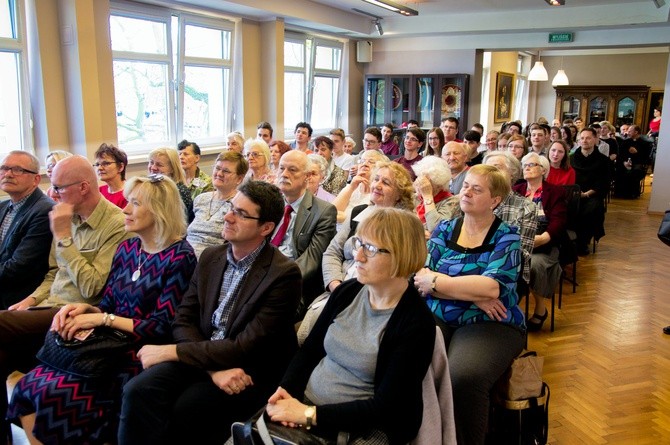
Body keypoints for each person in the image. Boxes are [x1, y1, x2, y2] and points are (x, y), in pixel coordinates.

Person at [8, 175, 197, 444]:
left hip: (138, 350)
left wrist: (102, 319)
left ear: (159, 211)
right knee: (28, 386)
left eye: (135, 204)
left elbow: (160, 326)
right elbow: (108, 303)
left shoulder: (179, 256)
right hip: (107, 343)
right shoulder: (128, 248)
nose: (125, 210)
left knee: (59, 396)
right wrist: (84, 308)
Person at [118, 181, 302, 445]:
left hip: (247, 370)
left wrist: (173, 351)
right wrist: (212, 371)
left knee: (189, 407)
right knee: (138, 390)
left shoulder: (283, 274)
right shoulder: (210, 258)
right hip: (208, 356)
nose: (227, 216)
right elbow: (183, 319)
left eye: (241, 213)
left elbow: (246, 346)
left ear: (266, 228)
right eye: (231, 207)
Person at [268, 207, 435, 445]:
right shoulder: (348, 291)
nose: (358, 256)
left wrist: (308, 415)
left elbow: (386, 407)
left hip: (363, 427)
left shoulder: (416, 322)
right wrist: (287, 391)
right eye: (360, 244)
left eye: (372, 249)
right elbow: (310, 350)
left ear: (402, 255)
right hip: (305, 407)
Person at [0, 155, 128, 443]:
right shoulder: (65, 216)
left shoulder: (116, 225)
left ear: (83, 187)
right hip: (47, 308)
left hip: (77, 313)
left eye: (58, 188)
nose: (53, 195)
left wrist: (64, 237)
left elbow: (93, 287)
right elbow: (53, 274)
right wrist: (31, 301)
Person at [414, 164, 525, 445]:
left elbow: (492, 287)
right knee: (410, 361)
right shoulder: (445, 228)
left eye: (477, 189)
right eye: (465, 186)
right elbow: (421, 275)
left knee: (463, 377)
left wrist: (439, 284)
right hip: (439, 313)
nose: (467, 192)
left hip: (490, 322)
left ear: (495, 200)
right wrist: (474, 293)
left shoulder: (507, 236)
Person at [299, 162, 416, 344]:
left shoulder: (406, 224)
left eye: (386, 182)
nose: (377, 185)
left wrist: (354, 295)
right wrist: (335, 285)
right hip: (339, 288)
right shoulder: (358, 212)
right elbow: (332, 252)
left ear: (400, 193)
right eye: (376, 179)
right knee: (306, 337)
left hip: (374, 298)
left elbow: (402, 271)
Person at [273, 150, 337, 316]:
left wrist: (275, 279)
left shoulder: (323, 211)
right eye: (281, 168)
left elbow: (312, 259)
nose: (284, 174)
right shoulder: (271, 202)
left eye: (292, 170)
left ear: (307, 177)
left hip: (292, 280)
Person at [514, 153, 567, 332]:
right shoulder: (517, 189)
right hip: (518, 242)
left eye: (532, 164)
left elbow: (558, 221)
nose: (526, 167)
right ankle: (510, 308)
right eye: (524, 165)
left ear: (543, 170)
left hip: (544, 245)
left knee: (532, 264)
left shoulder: (555, 192)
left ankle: (540, 308)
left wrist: (544, 238)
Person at [0, 151, 54, 309]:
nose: (8, 174)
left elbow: (19, 268)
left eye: (18, 170)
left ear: (36, 179)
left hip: (19, 298)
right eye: (4, 168)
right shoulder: (3, 207)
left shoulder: (44, 210)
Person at [187, 151, 248, 258]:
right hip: (185, 257)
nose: (219, 174)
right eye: (217, 168)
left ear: (239, 179)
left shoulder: (239, 205)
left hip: (214, 260)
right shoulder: (200, 199)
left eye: (226, 171)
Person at [571, 128, 611, 254]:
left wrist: (587, 194)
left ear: (595, 139)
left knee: (592, 209)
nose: (585, 141)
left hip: (592, 195)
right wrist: (575, 193)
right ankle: (569, 241)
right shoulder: (571, 159)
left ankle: (583, 241)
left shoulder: (603, 161)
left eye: (588, 138)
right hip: (573, 194)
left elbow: (604, 182)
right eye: (582, 138)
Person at [332, 150, 388, 224]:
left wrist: (344, 217)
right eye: (362, 161)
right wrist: (351, 187)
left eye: (371, 162)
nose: (364, 164)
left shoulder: (378, 194)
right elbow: (331, 213)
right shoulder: (350, 187)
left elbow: (367, 222)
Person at [412, 156, 458, 233]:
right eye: (419, 177)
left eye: (425, 181)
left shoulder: (451, 202)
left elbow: (435, 228)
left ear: (438, 184)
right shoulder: (414, 197)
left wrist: (427, 196)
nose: (419, 182)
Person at [148, 147, 194, 222]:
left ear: (172, 168)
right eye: (151, 162)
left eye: (159, 165)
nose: (153, 167)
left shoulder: (180, 191)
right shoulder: (150, 186)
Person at [615, 125, 652, 198]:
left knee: (635, 171)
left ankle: (632, 193)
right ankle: (619, 193)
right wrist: (624, 162)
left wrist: (637, 152)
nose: (627, 132)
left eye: (630, 131)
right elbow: (620, 154)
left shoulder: (645, 143)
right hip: (625, 163)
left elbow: (646, 158)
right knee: (619, 169)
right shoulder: (625, 142)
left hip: (638, 163)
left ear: (636, 132)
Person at [94, 143, 128, 208]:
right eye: (97, 164)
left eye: (106, 163)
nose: (99, 168)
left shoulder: (129, 194)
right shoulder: (99, 191)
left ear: (121, 167)